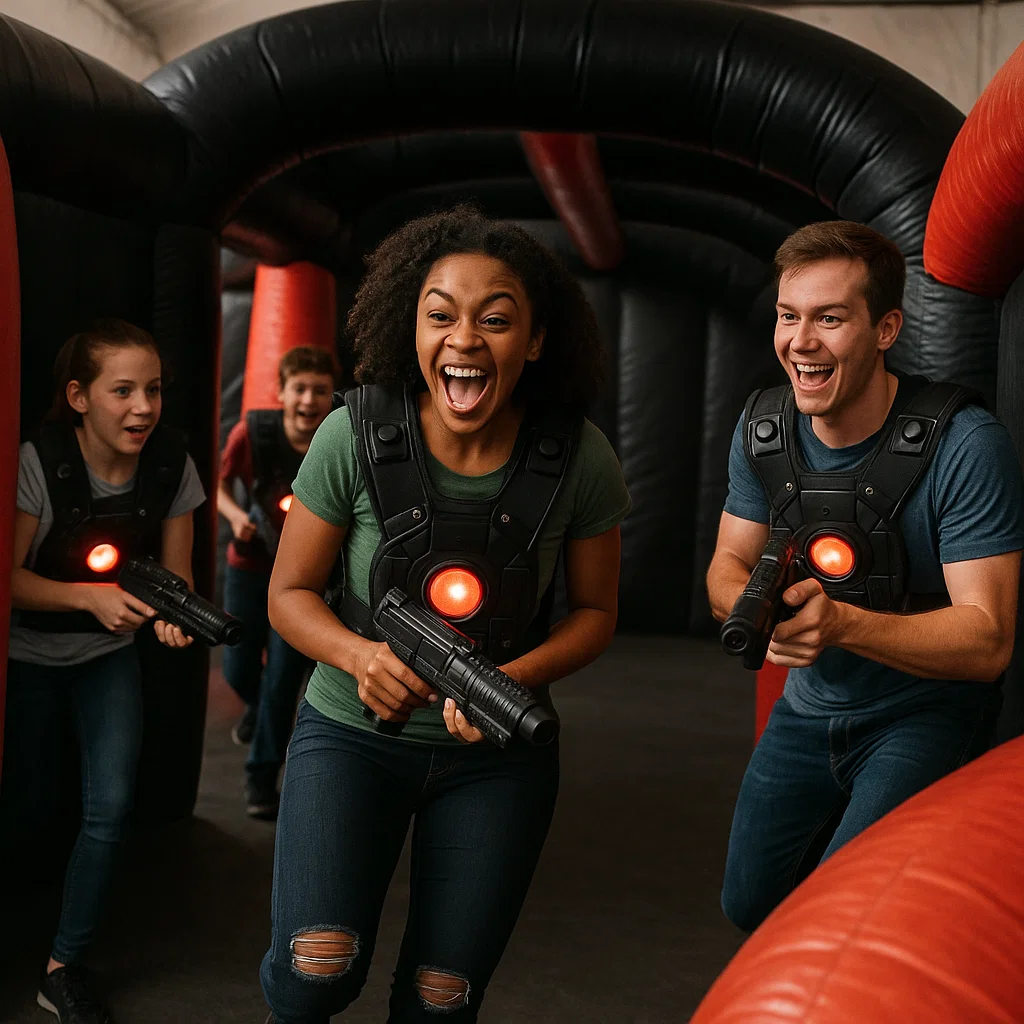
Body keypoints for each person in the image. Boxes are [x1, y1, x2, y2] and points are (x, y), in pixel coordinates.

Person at [259, 205, 630, 1023]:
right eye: (441, 315)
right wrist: (359, 657)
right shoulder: (349, 435)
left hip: (497, 761)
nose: (464, 338)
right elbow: (286, 596)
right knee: (313, 972)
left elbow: (597, 613)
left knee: (442, 997)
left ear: (533, 342)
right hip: (349, 738)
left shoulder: (580, 458)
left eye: (495, 320)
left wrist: (513, 680)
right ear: (411, 327)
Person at [707, 221, 1024, 933]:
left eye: (829, 318)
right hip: (809, 706)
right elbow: (726, 567)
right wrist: (759, 611)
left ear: (886, 329)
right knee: (747, 902)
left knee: (845, 912)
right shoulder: (764, 429)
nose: (801, 341)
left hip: (923, 716)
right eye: (790, 316)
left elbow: (988, 638)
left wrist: (842, 623)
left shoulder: (966, 445)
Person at [2, 318, 206, 1021]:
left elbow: (178, 582)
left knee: (110, 807)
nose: (144, 407)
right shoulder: (38, 458)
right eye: (123, 390)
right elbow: (7, 581)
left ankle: (64, 964)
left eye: (152, 390)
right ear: (79, 396)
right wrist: (87, 598)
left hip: (106, 661)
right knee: (28, 809)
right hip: (25, 659)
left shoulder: (173, 461)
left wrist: (179, 619)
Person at [216, 345, 339, 819]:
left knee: (282, 680)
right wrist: (234, 518)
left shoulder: (338, 436)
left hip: (306, 577)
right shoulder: (253, 433)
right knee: (238, 670)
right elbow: (222, 485)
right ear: (282, 392)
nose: (309, 400)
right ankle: (256, 711)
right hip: (251, 564)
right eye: (300, 389)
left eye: (320, 390)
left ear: (332, 394)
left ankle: (260, 778)